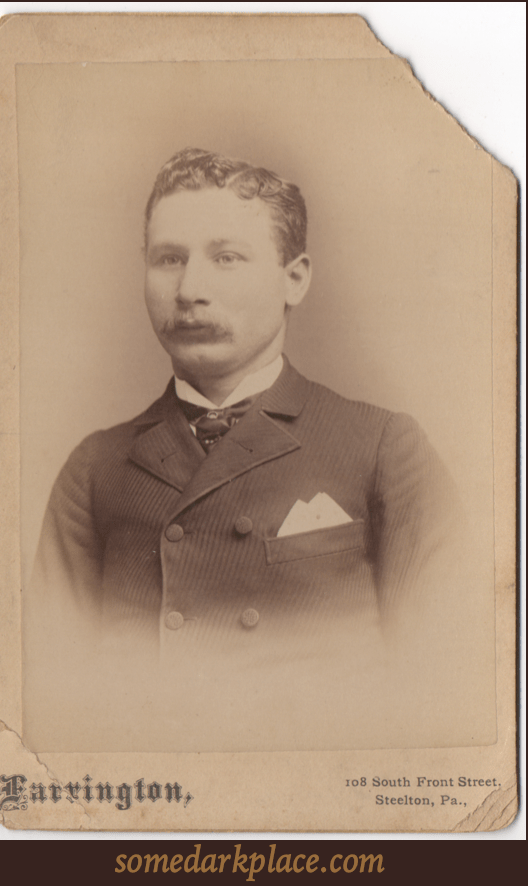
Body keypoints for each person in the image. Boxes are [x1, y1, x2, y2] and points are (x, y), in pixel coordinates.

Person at [24, 148, 462, 752]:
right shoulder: (97, 468)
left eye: (227, 258)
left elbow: (445, 687)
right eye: (168, 258)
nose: (190, 289)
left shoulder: (383, 446)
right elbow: (48, 700)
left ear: (295, 277)